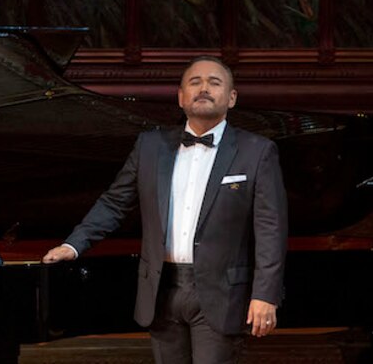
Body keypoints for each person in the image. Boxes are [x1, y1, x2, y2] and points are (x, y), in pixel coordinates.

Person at [43, 56, 288, 364]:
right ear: (181, 96)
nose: (204, 88)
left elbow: (271, 229)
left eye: (215, 82)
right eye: (194, 82)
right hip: (161, 289)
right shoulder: (150, 146)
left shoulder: (257, 151)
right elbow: (115, 202)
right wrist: (73, 245)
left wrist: (265, 294)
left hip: (221, 292)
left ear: (232, 97)